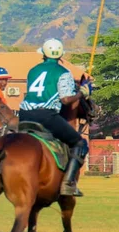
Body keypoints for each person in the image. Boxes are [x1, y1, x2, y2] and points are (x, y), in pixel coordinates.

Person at [19, 38, 91, 197]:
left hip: (23, 114)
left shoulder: (33, 70)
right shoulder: (63, 72)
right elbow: (66, 100)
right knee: (80, 142)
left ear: (43, 54)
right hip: (46, 116)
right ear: (60, 56)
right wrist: (82, 93)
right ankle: (68, 184)